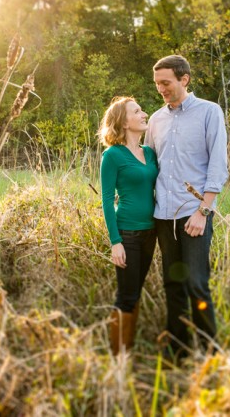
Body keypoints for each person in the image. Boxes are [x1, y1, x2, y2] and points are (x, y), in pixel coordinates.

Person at [144, 55, 228, 359]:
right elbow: (148, 165)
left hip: (194, 215)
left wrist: (203, 211)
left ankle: (210, 352)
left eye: (165, 83)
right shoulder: (155, 120)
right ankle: (178, 352)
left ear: (184, 79)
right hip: (163, 216)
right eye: (157, 84)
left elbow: (217, 166)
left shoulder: (209, 112)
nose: (161, 89)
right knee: (173, 283)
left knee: (196, 283)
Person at [99, 96, 159, 355]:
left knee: (135, 292)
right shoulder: (112, 156)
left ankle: (128, 349)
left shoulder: (149, 152)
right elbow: (105, 200)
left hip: (151, 232)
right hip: (127, 233)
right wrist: (115, 242)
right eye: (137, 111)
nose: (144, 113)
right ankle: (117, 357)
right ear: (124, 122)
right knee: (126, 296)